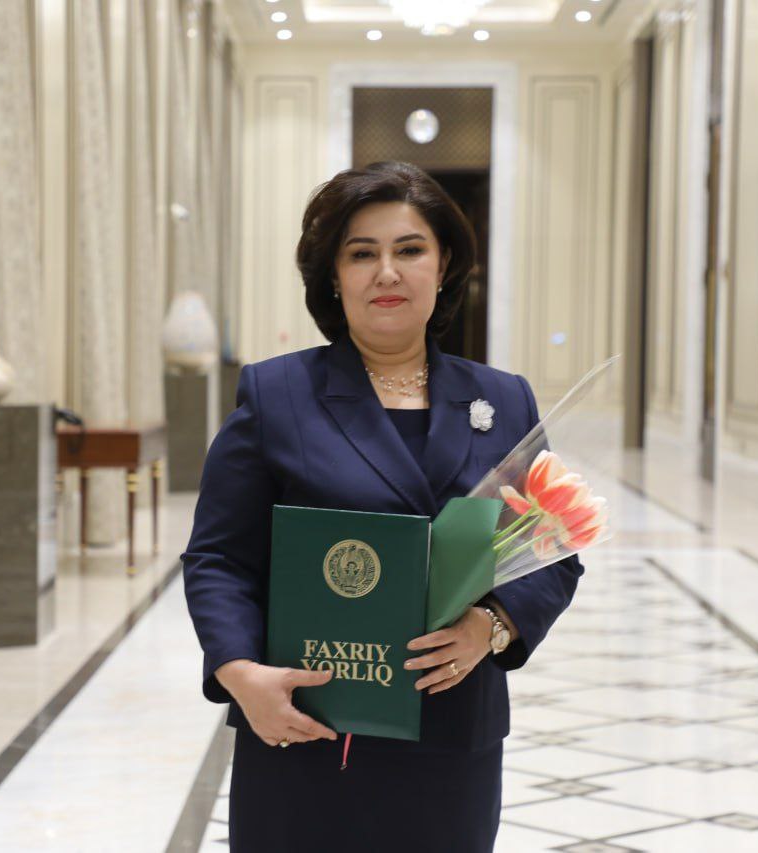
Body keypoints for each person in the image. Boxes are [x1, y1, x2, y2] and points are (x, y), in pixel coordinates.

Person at [181, 161, 584, 851]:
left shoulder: (503, 399)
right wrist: (241, 674)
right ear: (333, 276)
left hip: (450, 732)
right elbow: (219, 558)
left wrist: (491, 626)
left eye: (410, 249)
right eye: (362, 253)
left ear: (444, 264)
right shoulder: (277, 395)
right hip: (305, 725)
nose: (387, 272)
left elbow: (549, 550)